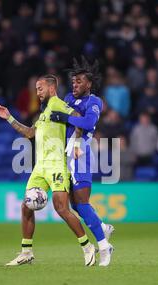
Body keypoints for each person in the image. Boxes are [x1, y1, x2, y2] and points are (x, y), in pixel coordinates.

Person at [0, 74, 96, 266]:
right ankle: (26, 252)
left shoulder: (57, 104)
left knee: (61, 208)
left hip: (57, 165)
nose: (37, 93)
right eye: (36, 89)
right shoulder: (44, 113)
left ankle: (87, 246)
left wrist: (76, 143)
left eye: (40, 88)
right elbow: (30, 133)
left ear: (51, 88)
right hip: (40, 167)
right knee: (26, 206)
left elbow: (78, 118)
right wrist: (9, 118)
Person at [49, 57, 114, 266]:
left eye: (79, 82)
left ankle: (104, 246)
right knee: (75, 204)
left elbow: (88, 122)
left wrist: (65, 118)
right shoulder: (68, 97)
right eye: (73, 81)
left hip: (81, 153)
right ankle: (102, 227)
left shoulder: (94, 102)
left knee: (82, 204)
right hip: (67, 154)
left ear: (89, 84)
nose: (75, 85)